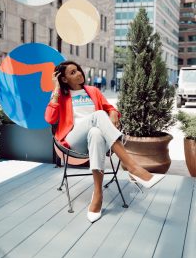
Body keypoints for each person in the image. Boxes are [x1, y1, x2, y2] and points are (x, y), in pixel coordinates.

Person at [45, 61, 164, 223]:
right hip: (73, 141)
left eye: (78, 70)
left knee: (95, 132)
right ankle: (133, 167)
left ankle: (98, 195)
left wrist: (114, 113)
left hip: (97, 140)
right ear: (64, 79)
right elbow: (49, 118)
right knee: (99, 115)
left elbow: (111, 109)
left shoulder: (93, 91)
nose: (79, 73)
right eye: (72, 73)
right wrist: (56, 90)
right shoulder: (61, 96)